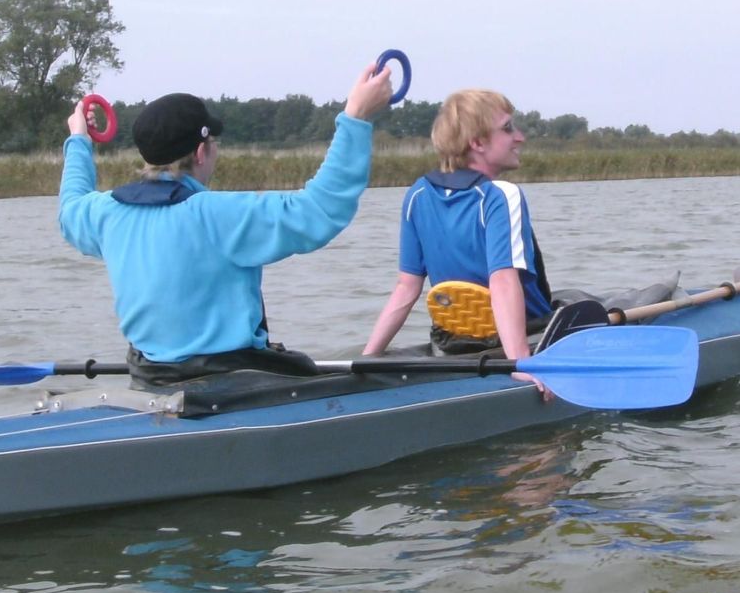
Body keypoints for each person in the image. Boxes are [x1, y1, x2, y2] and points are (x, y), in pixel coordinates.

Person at [59, 61, 394, 386]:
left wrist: (79, 140)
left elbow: (70, 206)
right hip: (233, 382)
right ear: (201, 151)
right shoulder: (217, 214)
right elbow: (319, 208)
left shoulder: (105, 213)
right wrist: (356, 117)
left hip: (153, 377)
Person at [363, 88, 550, 362]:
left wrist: (367, 357)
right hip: (522, 334)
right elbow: (502, 282)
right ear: (477, 143)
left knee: (569, 297)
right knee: (586, 307)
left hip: (454, 337)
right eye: (508, 128)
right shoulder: (500, 194)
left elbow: (406, 287)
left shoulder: (418, 193)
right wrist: (520, 363)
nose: (520, 137)